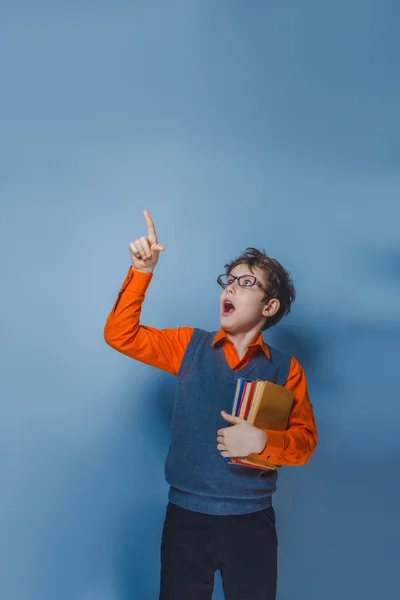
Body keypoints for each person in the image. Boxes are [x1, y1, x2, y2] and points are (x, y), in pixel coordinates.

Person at [104, 210, 318, 600]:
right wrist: (141, 272)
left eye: (246, 283)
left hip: (251, 523)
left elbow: (304, 442)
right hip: (186, 521)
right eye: (229, 280)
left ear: (269, 307)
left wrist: (261, 442)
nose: (230, 289)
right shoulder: (188, 346)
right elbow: (121, 335)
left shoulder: (287, 368)